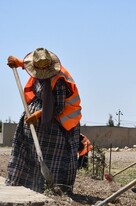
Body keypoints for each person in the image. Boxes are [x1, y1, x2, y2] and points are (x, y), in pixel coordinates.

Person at [6, 48, 82, 194]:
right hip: (36, 120)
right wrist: (18, 63)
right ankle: (24, 183)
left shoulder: (59, 80)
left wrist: (38, 115)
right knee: (28, 150)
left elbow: (58, 107)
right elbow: (34, 64)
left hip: (59, 124)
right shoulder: (39, 69)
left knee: (51, 157)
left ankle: (54, 188)